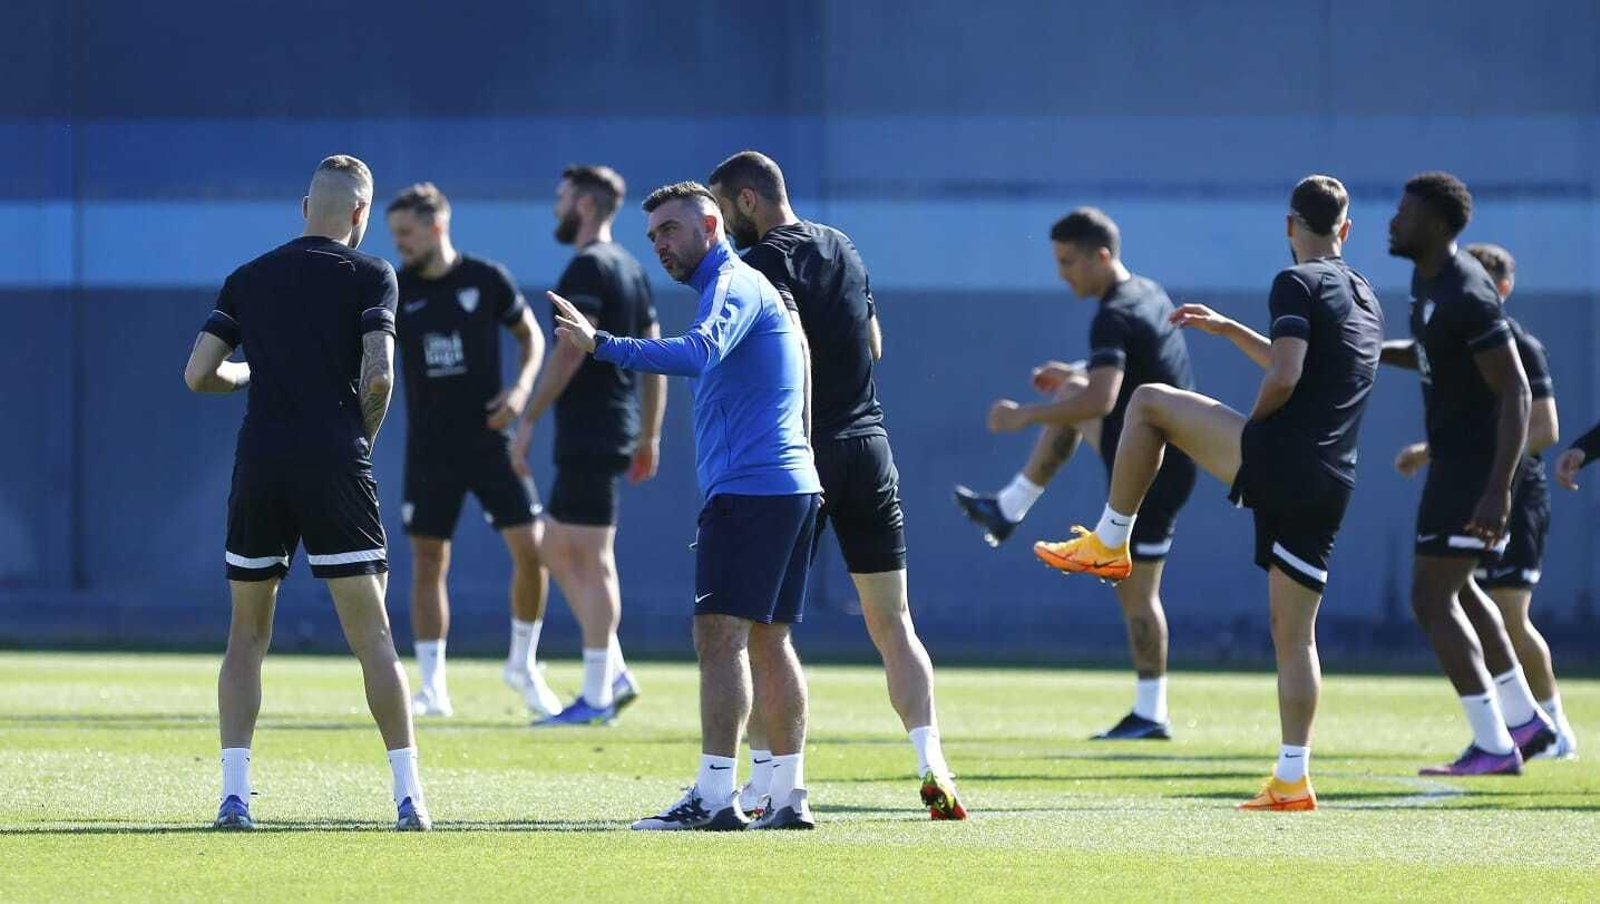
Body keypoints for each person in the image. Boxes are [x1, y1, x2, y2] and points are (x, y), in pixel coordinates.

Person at [1031, 175, 1383, 811]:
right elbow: (1306, 363)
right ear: (1347, 231)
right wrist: (1229, 331)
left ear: (1288, 226)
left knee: (1147, 403)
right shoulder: (1364, 295)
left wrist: (1261, 425)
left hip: (1282, 457)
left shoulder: (1295, 281)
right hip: (1334, 479)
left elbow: (1286, 374)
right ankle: (1292, 777)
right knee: (1294, 637)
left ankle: (1110, 541)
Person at [549, 181, 822, 830]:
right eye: (652, 237)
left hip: (754, 490)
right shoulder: (749, 287)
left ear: (710, 223)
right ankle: (788, 797)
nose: (660, 246)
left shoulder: (733, 280)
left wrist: (601, 346)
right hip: (789, 486)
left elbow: (699, 353)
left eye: (670, 230)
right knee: (767, 641)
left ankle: (714, 797)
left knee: (718, 638)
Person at [708, 150, 966, 819]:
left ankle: (766, 783)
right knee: (894, 622)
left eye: (723, 210)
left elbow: (778, 345)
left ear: (746, 200)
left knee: (767, 631)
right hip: (871, 447)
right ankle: (930, 758)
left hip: (803, 452)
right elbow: (874, 341)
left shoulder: (757, 263)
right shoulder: (843, 246)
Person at [184, 155, 429, 831]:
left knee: (246, 636)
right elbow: (378, 377)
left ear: (303, 208)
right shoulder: (373, 273)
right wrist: (359, 444)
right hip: (334, 462)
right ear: (361, 214)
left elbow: (198, 373)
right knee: (373, 636)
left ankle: (233, 798)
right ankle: (410, 799)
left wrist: (247, 376)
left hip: (261, 461)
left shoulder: (249, 276)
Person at [954, 207, 1197, 741]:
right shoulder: (1147, 292)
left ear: (1101, 257)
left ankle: (1152, 714)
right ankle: (1009, 507)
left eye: (1069, 262)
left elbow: (1105, 397)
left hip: (1155, 466)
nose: (1063, 273)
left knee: (1137, 594)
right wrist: (1076, 375)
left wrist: (1023, 416)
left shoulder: (1113, 313)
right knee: (1071, 394)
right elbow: (1130, 372)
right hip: (1158, 450)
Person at [1379, 172, 1557, 775]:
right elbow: (1431, 351)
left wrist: (1497, 490)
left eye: (1403, 213)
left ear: (1433, 224)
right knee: (1461, 593)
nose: (1392, 221)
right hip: (1456, 465)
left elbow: (1516, 392)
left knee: (1430, 600)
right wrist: (1369, 351)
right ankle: (1525, 721)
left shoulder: (1465, 291)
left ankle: (1494, 744)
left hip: (1472, 472)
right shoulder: (1426, 280)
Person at [386, 182, 560, 719]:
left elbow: (532, 336)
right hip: (430, 448)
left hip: (490, 440)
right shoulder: (396, 287)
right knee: (428, 561)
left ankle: (523, 665)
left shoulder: (486, 279)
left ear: (438, 226)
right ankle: (433, 687)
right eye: (394, 236)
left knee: (533, 551)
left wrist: (521, 390)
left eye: (407, 234)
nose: (400, 245)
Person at [513, 166, 663, 725]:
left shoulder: (590, 266)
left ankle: (599, 694)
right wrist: (649, 432)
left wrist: (528, 418)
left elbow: (571, 351)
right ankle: (614, 672)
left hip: (594, 429)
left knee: (592, 561)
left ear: (583, 203)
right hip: (608, 430)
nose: (556, 207)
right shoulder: (629, 266)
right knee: (554, 550)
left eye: (562, 198)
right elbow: (653, 359)